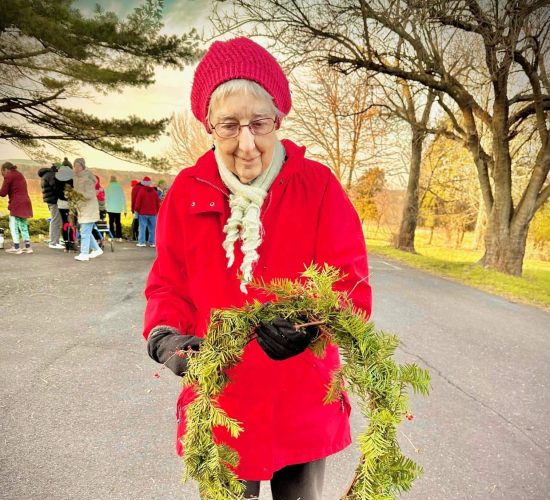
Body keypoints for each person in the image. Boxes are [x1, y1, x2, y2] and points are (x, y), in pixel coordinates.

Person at [142, 38, 372, 500]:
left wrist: (311, 324)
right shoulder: (188, 191)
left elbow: (350, 281)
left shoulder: (318, 186)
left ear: (279, 120)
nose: (246, 145)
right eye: (229, 126)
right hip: (223, 397)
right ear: (209, 126)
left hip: (303, 396)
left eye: (259, 124)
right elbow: (169, 282)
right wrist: (165, 334)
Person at [72, 158, 103, 262]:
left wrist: (77, 195)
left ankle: (84, 254)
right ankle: (97, 249)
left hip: (89, 208)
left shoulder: (87, 178)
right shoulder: (76, 178)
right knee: (86, 231)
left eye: (78, 166)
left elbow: (90, 194)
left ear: (83, 166)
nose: (76, 168)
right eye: (75, 166)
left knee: (85, 232)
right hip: (82, 208)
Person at [1, 162, 34, 254]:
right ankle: (28, 247)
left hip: (17, 203)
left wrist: (5, 179)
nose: (2, 173)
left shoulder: (9, 175)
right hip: (26, 202)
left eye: (2, 171)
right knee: (23, 225)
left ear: (5, 169)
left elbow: (3, 193)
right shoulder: (19, 174)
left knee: (13, 225)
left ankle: (16, 247)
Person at [38, 162, 64, 249]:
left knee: (56, 220)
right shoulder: (51, 175)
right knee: (56, 221)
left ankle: (55, 240)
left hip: (51, 200)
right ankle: (53, 242)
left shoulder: (46, 175)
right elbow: (56, 188)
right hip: (54, 201)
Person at [134, 176, 159, 247]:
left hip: (143, 213)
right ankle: (152, 243)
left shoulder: (141, 191)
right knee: (152, 228)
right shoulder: (154, 192)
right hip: (153, 213)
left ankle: (142, 242)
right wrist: (157, 211)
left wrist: (136, 210)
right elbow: (157, 203)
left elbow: (138, 202)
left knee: (142, 228)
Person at [55, 164, 75, 252]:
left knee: (64, 223)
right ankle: (72, 243)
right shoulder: (71, 180)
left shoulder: (57, 180)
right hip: (70, 204)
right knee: (71, 223)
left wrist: (63, 196)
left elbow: (57, 193)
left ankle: (67, 245)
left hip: (61, 205)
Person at [105, 175, 127, 241]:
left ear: (110, 180)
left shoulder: (108, 188)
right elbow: (123, 199)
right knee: (118, 222)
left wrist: (105, 208)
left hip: (110, 209)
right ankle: (119, 236)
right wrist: (125, 210)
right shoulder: (119, 188)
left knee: (111, 222)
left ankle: (111, 236)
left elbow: (106, 199)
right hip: (118, 209)